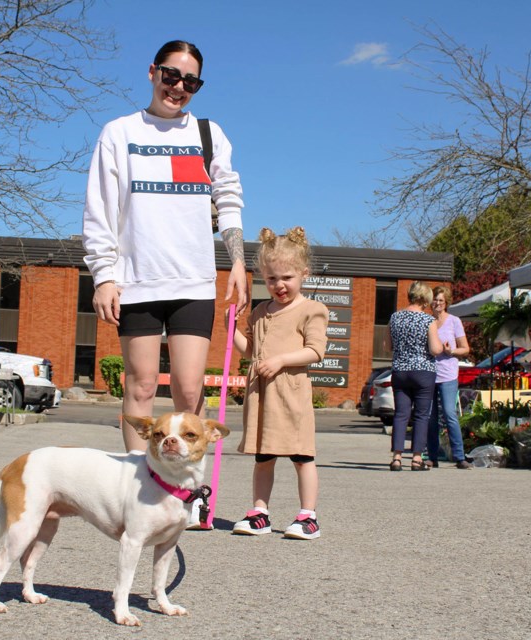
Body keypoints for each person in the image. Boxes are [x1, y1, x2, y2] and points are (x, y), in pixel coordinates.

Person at [82, 40, 248, 454]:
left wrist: (240, 264)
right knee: (139, 388)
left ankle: (184, 490)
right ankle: (139, 487)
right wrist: (104, 277)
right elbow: (100, 209)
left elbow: (228, 200)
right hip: (137, 281)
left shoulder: (208, 135)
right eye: (171, 75)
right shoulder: (120, 133)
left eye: (190, 81)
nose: (178, 87)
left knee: (189, 392)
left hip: (193, 282)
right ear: (153, 71)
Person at [230, 227, 329, 540]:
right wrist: (231, 331)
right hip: (263, 397)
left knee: (302, 456)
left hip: (291, 395)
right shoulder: (260, 311)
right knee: (264, 456)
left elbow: (315, 351)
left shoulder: (312, 310)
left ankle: (308, 515)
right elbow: (252, 352)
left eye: (287, 277)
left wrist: (281, 360)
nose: (279, 285)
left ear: (303, 273)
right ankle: (260, 512)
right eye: (271, 279)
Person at [388, 281, 444, 471]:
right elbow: (435, 349)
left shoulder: (395, 317)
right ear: (425, 298)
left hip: (400, 370)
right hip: (423, 371)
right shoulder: (428, 321)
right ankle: (416, 459)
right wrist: (443, 346)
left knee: (401, 414)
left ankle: (396, 458)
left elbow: (387, 347)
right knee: (421, 415)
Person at [426, 286, 473, 469]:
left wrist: (451, 351)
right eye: (435, 300)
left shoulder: (454, 321)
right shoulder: (427, 321)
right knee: (430, 416)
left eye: (440, 300)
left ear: (446, 303)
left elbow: (465, 348)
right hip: (429, 373)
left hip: (448, 374)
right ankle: (432, 456)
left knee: (449, 413)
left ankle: (459, 456)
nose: (437, 303)